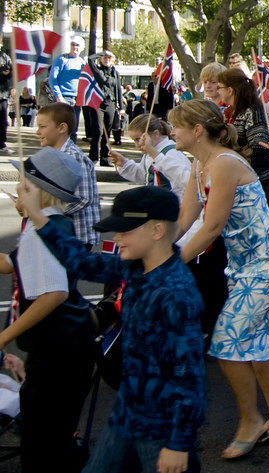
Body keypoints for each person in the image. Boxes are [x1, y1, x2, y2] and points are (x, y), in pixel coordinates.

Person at [26, 185, 206, 473]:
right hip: (127, 413)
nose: (116, 238)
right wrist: (37, 215)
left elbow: (189, 376)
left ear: (157, 231)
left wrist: (178, 443)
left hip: (159, 427)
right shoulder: (135, 267)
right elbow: (81, 262)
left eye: (125, 230)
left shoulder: (176, 294)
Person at [171, 99, 269, 460]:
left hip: (267, 264)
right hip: (244, 266)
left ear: (197, 131)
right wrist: (159, 250)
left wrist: (170, 264)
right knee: (258, 344)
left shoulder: (224, 164)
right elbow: (186, 218)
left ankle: (251, 421)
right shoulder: (200, 163)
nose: (171, 132)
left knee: (227, 343)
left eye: (176, 126)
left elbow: (211, 227)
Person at [0, 148, 96, 473]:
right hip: (65, 348)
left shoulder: (41, 235)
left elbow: (53, 293)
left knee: (44, 447)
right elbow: (11, 264)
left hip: (59, 353)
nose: (17, 187)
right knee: (51, 439)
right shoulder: (45, 225)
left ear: (37, 190)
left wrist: (4, 336)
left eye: (23, 183)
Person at [35, 103, 101, 249]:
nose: (37, 132)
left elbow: (84, 198)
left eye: (42, 126)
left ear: (61, 128)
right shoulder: (52, 155)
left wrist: (48, 211)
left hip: (77, 236)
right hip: (61, 233)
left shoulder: (74, 157)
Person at [216, 68, 269, 196]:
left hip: (252, 182)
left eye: (219, 87)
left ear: (230, 90)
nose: (217, 91)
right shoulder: (231, 112)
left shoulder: (253, 112)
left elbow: (260, 148)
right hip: (237, 178)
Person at [109, 114, 192, 199]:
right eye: (134, 140)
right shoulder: (148, 154)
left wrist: (153, 153)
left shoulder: (171, 152)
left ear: (155, 133)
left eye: (139, 139)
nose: (137, 145)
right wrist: (124, 163)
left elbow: (186, 182)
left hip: (171, 207)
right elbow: (145, 176)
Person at [86, 51, 123, 164]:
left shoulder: (115, 73)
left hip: (110, 103)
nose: (107, 59)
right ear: (101, 59)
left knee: (107, 131)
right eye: (105, 58)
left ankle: (105, 158)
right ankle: (93, 157)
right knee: (97, 131)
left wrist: (120, 106)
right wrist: (102, 53)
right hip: (97, 103)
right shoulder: (97, 70)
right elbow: (90, 59)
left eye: (109, 58)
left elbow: (118, 89)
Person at [47, 36, 86, 138]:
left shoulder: (82, 63)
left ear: (82, 47)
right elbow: (52, 78)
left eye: (77, 45)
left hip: (77, 99)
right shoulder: (61, 59)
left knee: (73, 128)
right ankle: (58, 152)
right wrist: (58, 96)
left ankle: (70, 152)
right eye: (72, 44)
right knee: (61, 127)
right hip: (64, 98)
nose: (74, 47)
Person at [0, 40, 11, 153]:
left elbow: (12, 72)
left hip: (2, 94)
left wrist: (7, 72)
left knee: (2, 119)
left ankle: (1, 142)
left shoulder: (4, 57)